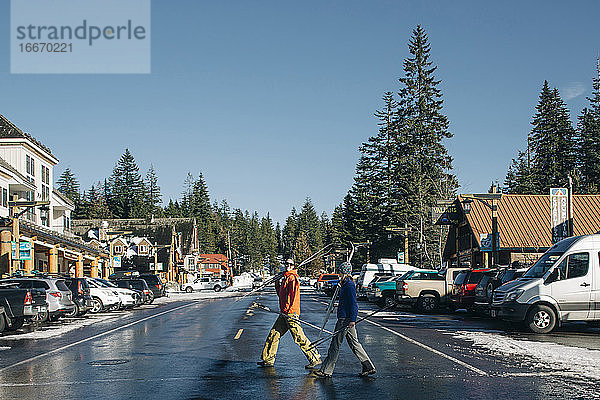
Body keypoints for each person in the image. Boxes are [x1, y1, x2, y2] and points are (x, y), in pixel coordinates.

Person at [312, 262, 376, 378]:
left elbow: (353, 304)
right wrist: (337, 306)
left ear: (343, 272)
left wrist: (352, 320)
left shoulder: (349, 285)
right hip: (345, 317)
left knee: (335, 344)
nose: (339, 274)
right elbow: (346, 302)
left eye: (340, 272)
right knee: (354, 344)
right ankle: (368, 366)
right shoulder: (345, 284)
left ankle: (326, 370)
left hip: (345, 320)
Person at [257, 258, 322, 369]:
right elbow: (281, 295)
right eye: (286, 264)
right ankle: (268, 359)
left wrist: (288, 310)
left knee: (299, 337)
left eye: (290, 264)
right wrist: (277, 282)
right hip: (284, 313)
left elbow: (293, 296)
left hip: (290, 313)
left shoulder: (292, 278)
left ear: (294, 266)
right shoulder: (286, 278)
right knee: (274, 334)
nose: (288, 265)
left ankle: (315, 358)